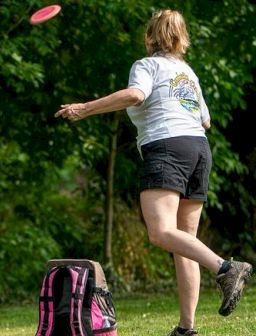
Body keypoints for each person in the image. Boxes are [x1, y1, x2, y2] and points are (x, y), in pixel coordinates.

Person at [55, 9, 253, 336]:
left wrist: (84, 108)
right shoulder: (187, 73)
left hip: (167, 147)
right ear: (181, 39)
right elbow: (205, 120)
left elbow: (136, 95)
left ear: (149, 37)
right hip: (198, 148)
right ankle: (186, 329)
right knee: (184, 242)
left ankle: (226, 268)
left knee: (160, 232)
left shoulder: (146, 65)